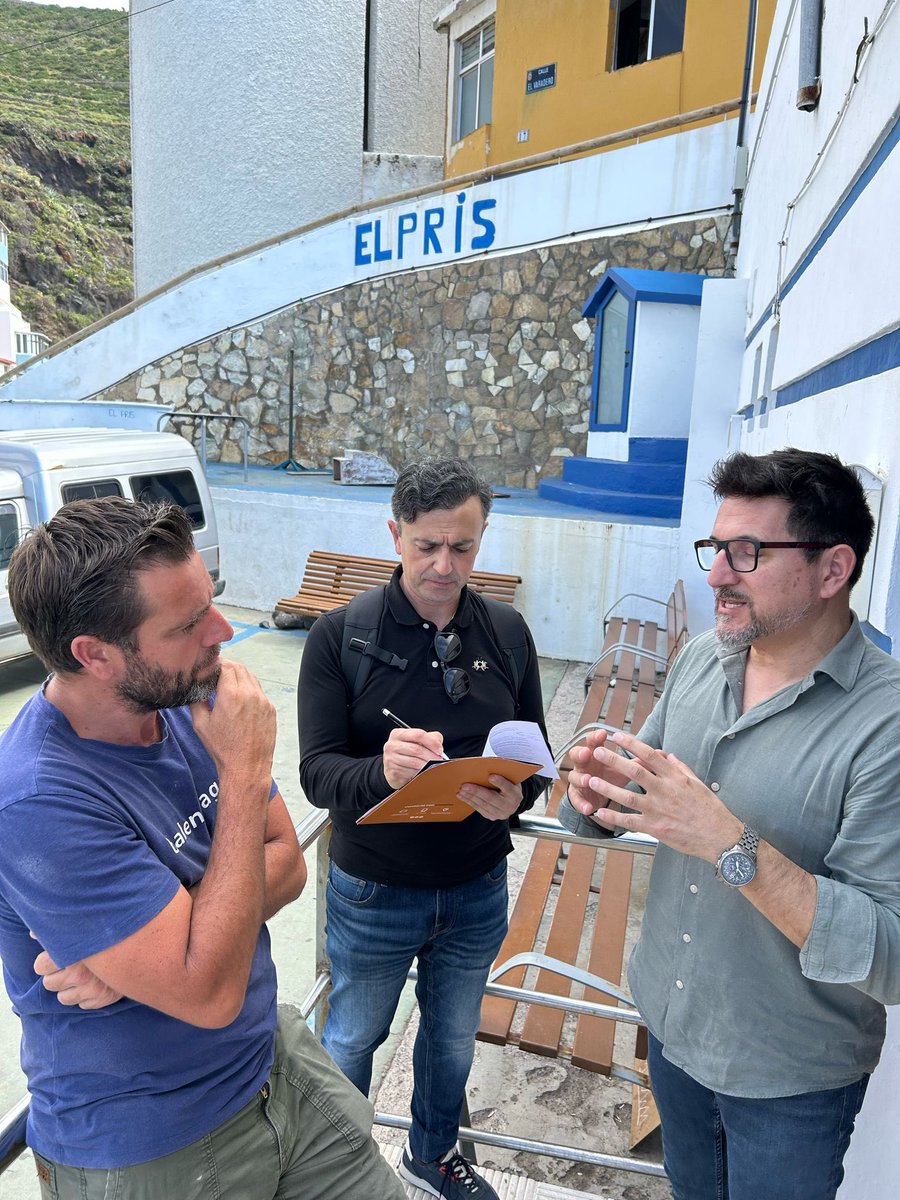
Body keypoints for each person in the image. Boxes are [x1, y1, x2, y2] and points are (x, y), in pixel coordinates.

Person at [0, 496, 405, 1200]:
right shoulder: (40, 799)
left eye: (210, 602)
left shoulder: (181, 699)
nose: (223, 632)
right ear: (95, 655)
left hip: (270, 1064)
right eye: (188, 624)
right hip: (153, 1139)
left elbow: (287, 860)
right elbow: (210, 992)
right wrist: (244, 774)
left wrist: (174, 941)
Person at [559, 448, 900, 1200]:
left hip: (790, 1079)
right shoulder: (701, 658)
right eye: (715, 548)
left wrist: (725, 840)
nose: (716, 575)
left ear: (833, 569)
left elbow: (890, 955)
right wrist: (592, 794)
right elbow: (638, 788)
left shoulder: (888, 725)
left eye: (746, 553)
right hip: (672, 1025)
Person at [298, 457, 550, 1200]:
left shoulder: (508, 633)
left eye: (462, 547)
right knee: (351, 1038)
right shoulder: (339, 637)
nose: (444, 566)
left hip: (477, 884)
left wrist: (517, 797)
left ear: (482, 537)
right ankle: (335, 1170)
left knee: (451, 1041)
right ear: (395, 535)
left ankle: (432, 1155)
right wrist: (381, 772)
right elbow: (316, 774)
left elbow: (534, 752)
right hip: (375, 890)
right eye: (427, 546)